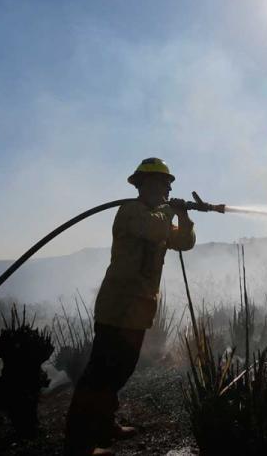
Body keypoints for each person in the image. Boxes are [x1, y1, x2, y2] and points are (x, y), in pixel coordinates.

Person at [65, 158, 195, 456]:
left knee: (119, 372)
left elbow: (184, 242)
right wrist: (171, 210)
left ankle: (104, 425)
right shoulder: (131, 212)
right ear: (143, 184)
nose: (165, 189)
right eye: (161, 184)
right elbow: (153, 229)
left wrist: (184, 217)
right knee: (99, 374)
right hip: (117, 307)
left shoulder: (160, 217)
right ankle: (78, 444)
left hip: (138, 310)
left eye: (167, 185)